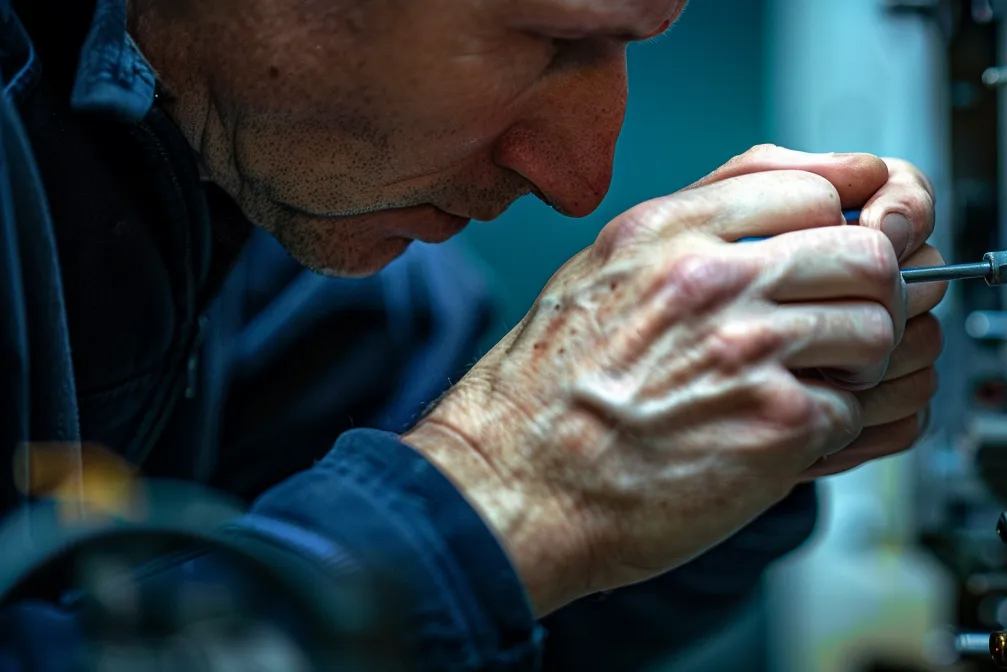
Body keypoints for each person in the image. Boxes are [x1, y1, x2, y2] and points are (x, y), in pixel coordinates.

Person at [0, 0, 945, 668]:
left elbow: (473, 629)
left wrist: (723, 434)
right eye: (548, 37)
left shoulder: (292, 228)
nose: (579, 178)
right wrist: (501, 487)